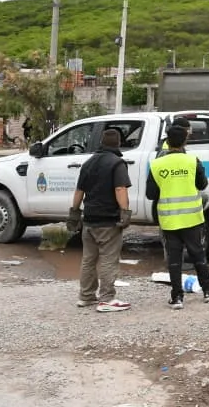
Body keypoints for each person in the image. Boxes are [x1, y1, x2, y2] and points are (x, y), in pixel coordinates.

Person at [146, 124, 209, 309]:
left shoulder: (156, 164)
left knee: (174, 260)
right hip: (192, 218)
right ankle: (208, 291)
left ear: (167, 142)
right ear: (185, 141)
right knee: (198, 255)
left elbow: (150, 194)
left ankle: (177, 297)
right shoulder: (193, 161)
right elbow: (202, 185)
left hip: (169, 220)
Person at [67, 128, 132, 313]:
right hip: (108, 220)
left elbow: (79, 191)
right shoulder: (117, 163)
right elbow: (120, 189)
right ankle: (107, 299)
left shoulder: (88, 163)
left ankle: (86, 296)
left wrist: (74, 212)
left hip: (89, 219)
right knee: (108, 259)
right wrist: (125, 212)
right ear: (118, 143)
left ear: (101, 142)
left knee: (88, 259)